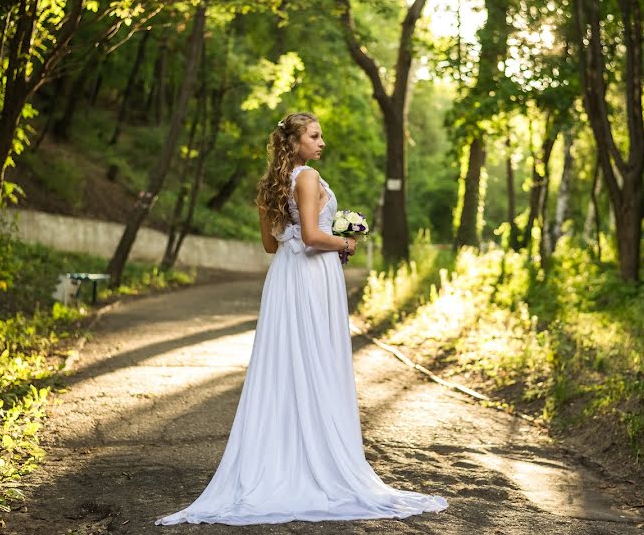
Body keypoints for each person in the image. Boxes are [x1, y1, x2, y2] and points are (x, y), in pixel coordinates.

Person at [154, 112, 448, 526]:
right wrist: (346, 240)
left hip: (285, 279)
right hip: (312, 276)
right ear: (294, 143)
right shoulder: (307, 177)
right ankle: (315, 460)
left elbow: (271, 245)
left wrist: (320, 236)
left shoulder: (270, 185)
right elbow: (311, 237)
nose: (321, 142)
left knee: (288, 365)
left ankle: (285, 457)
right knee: (316, 362)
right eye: (314, 136)